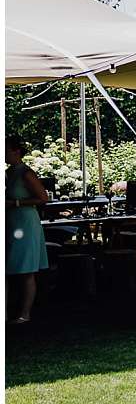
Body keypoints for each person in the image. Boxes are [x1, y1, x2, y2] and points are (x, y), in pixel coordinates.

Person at [6, 137, 48, 326]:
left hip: (25, 222)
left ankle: (25, 313)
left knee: (26, 269)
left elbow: (43, 198)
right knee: (7, 267)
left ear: (16, 151)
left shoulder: (26, 173)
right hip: (11, 223)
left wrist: (15, 203)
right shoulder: (9, 172)